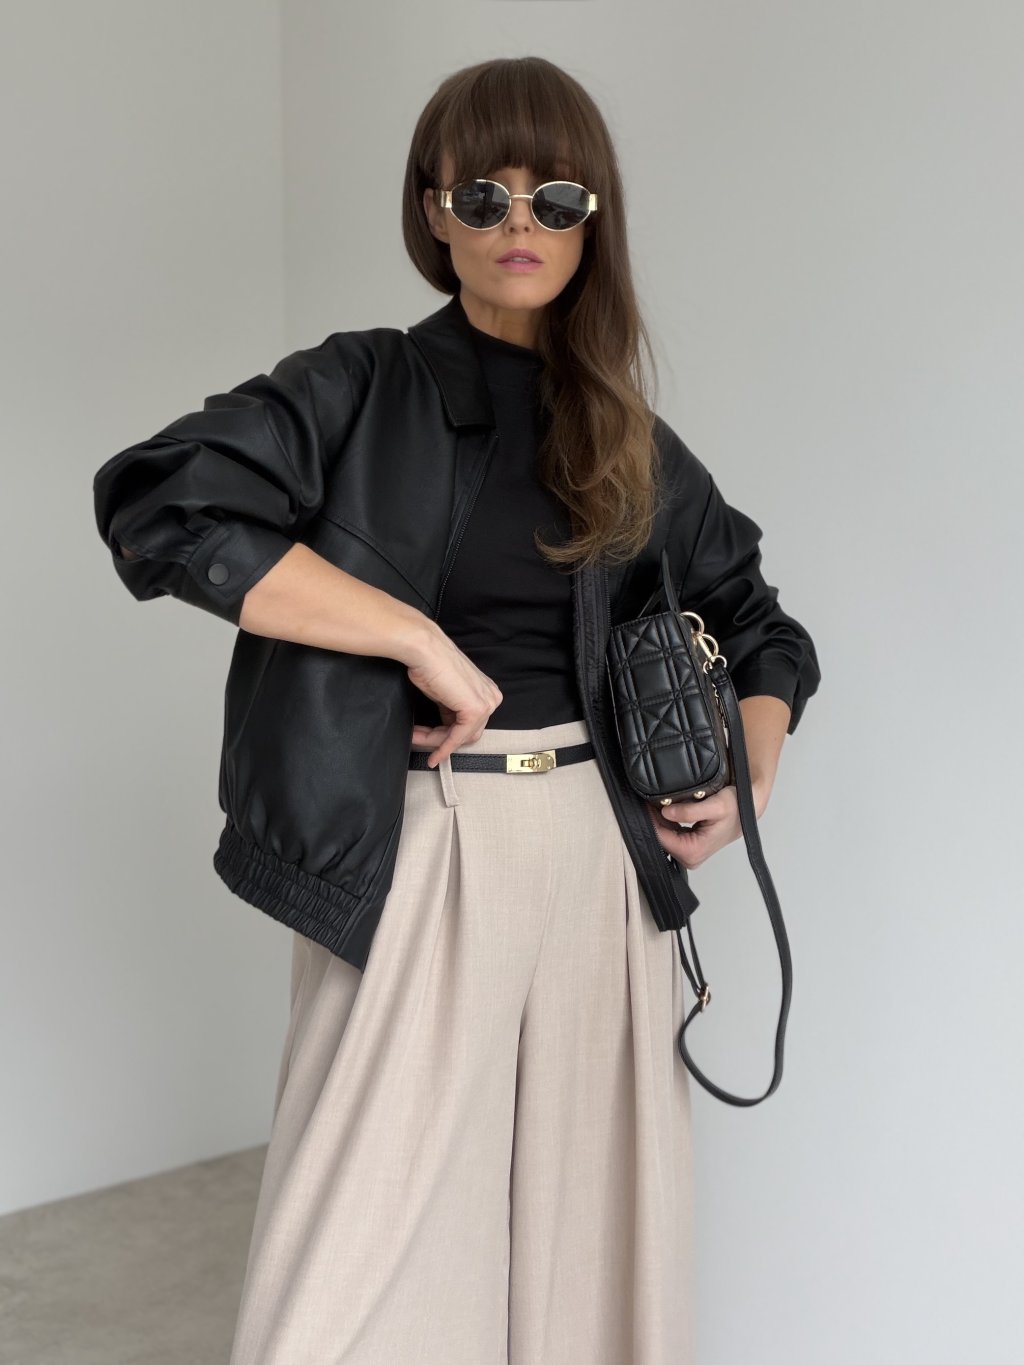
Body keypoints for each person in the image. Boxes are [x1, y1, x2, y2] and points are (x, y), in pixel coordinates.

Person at [93, 55, 819, 1365]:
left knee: (597, 1258)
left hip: (603, 861)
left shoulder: (624, 437)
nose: (518, 225)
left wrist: (747, 780)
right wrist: (412, 635)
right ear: (434, 210)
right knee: (354, 1274)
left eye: (556, 199)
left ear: (594, 221)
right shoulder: (363, 386)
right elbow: (162, 505)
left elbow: (763, 626)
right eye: (483, 195)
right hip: (422, 847)